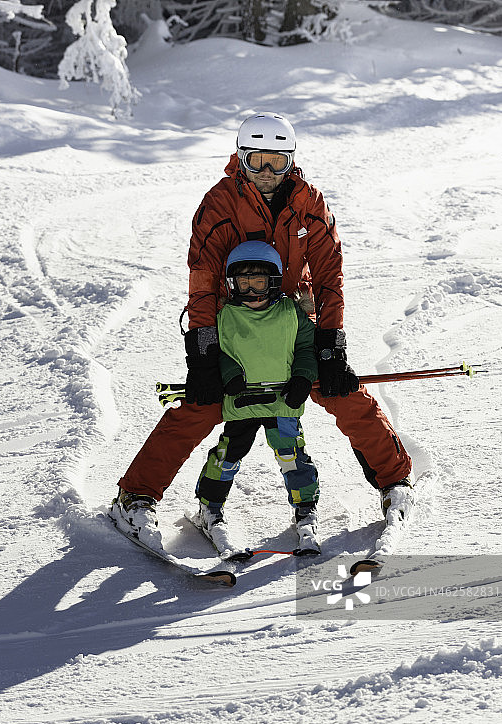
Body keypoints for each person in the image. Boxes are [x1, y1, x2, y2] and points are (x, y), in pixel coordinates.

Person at [110, 111, 413, 538]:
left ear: (291, 161)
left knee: (342, 390)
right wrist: (203, 354)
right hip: (234, 323)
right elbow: (202, 281)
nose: (267, 173)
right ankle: (136, 496)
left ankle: (394, 481)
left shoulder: (309, 203)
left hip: (290, 319)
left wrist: (330, 344)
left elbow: (329, 277)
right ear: (241, 158)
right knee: (202, 405)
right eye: (257, 161)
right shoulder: (219, 204)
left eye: (277, 162)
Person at [193, 240, 320, 559]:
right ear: (231, 284)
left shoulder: (290, 312)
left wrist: (303, 377)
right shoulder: (226, 316)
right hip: (242, 403)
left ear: (274, 282)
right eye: (243, 283)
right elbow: (220, 352)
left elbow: (306, 348)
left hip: (283, 402)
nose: (251, 291)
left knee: (291, 454)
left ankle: (305, 511)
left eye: (259, 282)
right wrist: (230, 375)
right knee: (228, 454)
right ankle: (209, 509)